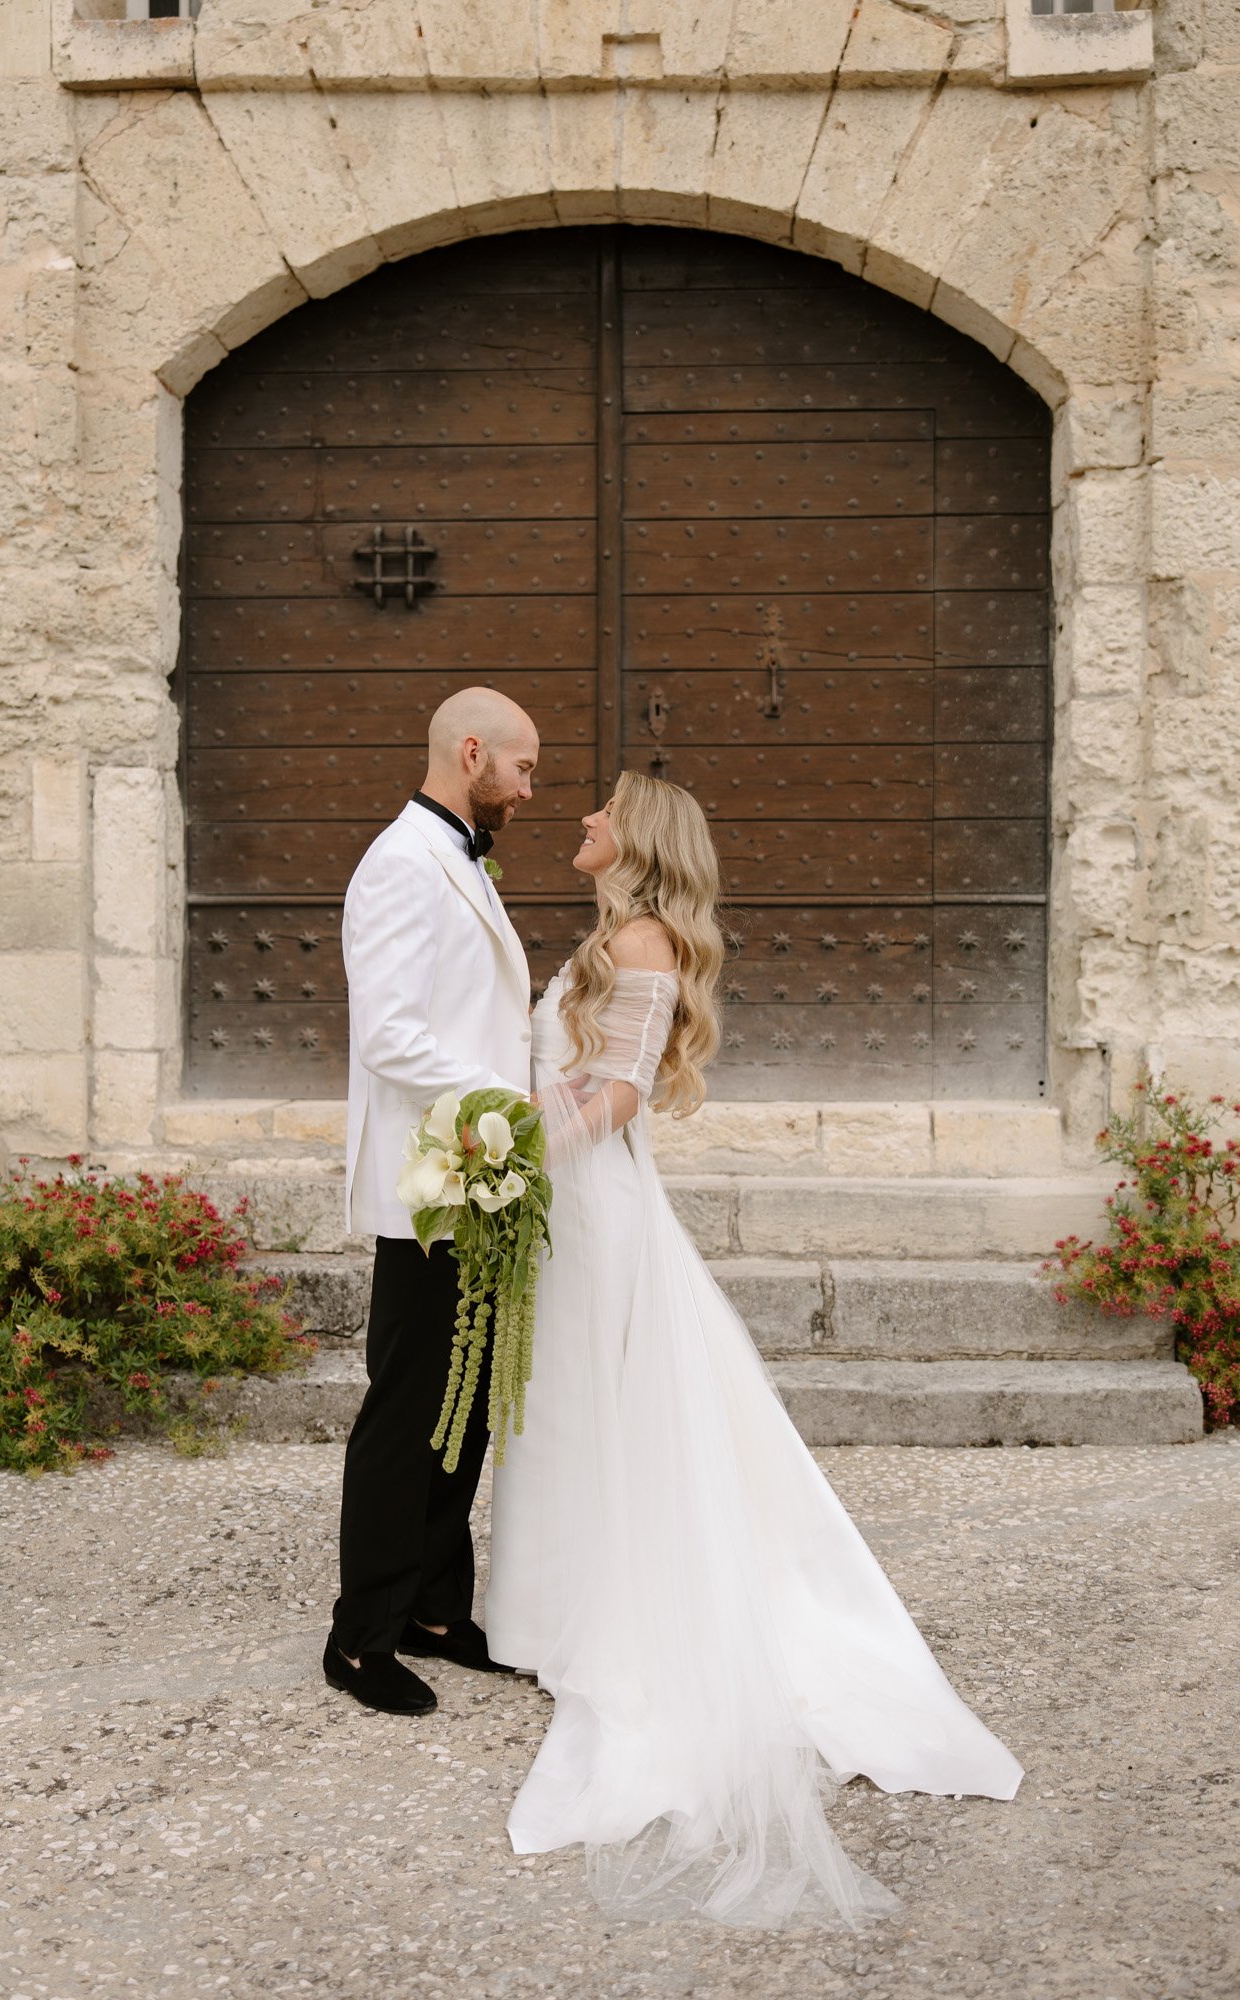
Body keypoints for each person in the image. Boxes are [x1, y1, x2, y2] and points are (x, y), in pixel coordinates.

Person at [486, 770, 1023, 1928]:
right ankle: (553, 1607)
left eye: (600, 811)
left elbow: (621, 1088)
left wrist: (521, 1153)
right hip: (578, 1199)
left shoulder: (637, 939)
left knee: (596, 1403)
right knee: (575, 1402)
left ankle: (591, 1616)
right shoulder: (617, 934)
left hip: (590, 1200)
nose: (580, 820)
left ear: (635, 842)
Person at [325, 687, 539, 1717]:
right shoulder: (402, 865)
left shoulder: (457, 857)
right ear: (471, 752)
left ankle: (436, 1610)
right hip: (429, 1181)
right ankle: (360, 1634)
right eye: (523, 767)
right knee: (407, 1408)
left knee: (466, 1404)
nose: (530, 788)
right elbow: (391, 1035)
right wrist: (515, 1106)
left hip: (476, 1178)